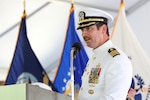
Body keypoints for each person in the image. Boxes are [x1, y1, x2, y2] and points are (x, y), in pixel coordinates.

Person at [76, 7, 133, 100]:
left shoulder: (117, 60)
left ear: (103, 29)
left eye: (88, 28)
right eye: (82, 30)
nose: (84, 34)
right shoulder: (95, 57)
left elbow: (112, 98)